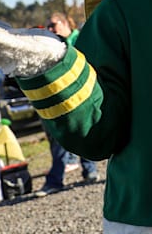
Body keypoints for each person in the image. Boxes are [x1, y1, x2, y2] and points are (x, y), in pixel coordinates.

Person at [36, 12, 100, 196]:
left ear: (65, 24)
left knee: (79, 133)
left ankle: (69, 176)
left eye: (53, 25)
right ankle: (70, 175)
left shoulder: (80, 39)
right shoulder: (53, 45)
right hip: (61, 95)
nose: (50, 29)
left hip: (82, 94)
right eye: (48, 26)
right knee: (62, 137)